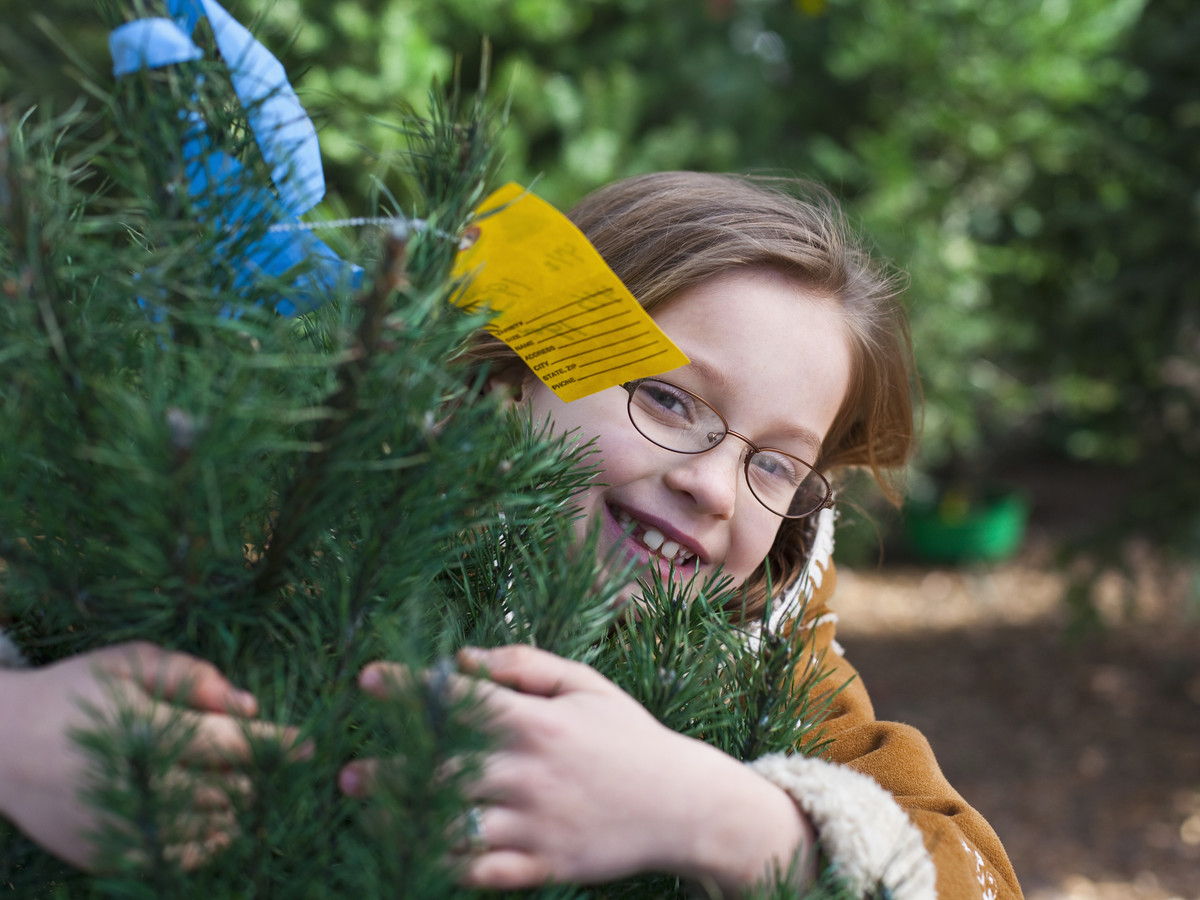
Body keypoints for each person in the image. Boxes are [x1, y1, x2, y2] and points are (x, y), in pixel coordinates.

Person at [0, 171, 1022, 899]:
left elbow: (972, 878)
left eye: (774, 464)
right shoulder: (289, 528)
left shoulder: (765, 669)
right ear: (514, 377)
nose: (714, 484)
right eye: (668, 401)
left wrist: (723, 818)